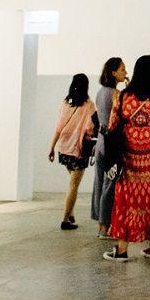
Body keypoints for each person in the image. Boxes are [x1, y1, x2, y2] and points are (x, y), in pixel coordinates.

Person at [102, 55, 150, 262]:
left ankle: (121, 251)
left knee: (126, 201)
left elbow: (112, 125)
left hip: (129, 157)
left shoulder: (123, 97)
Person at [48, 73, 99, 231]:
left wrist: (51, 148)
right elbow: (90, 128)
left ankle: (70, 214)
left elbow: (58, 127)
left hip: (63, 149)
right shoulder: (89, 105)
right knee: (74, 185)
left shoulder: (65, 103)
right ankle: (65, 220)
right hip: (78, 150)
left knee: (72, 182)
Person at [91, 57, 128, 238]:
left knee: (100, 183)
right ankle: (105, 225)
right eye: (122, 70)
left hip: (100, 141)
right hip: (111, 143)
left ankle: (100, 223)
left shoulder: (100, 92)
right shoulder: (116, 94)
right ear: (113, 72)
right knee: (110, 184)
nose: (125, 73)